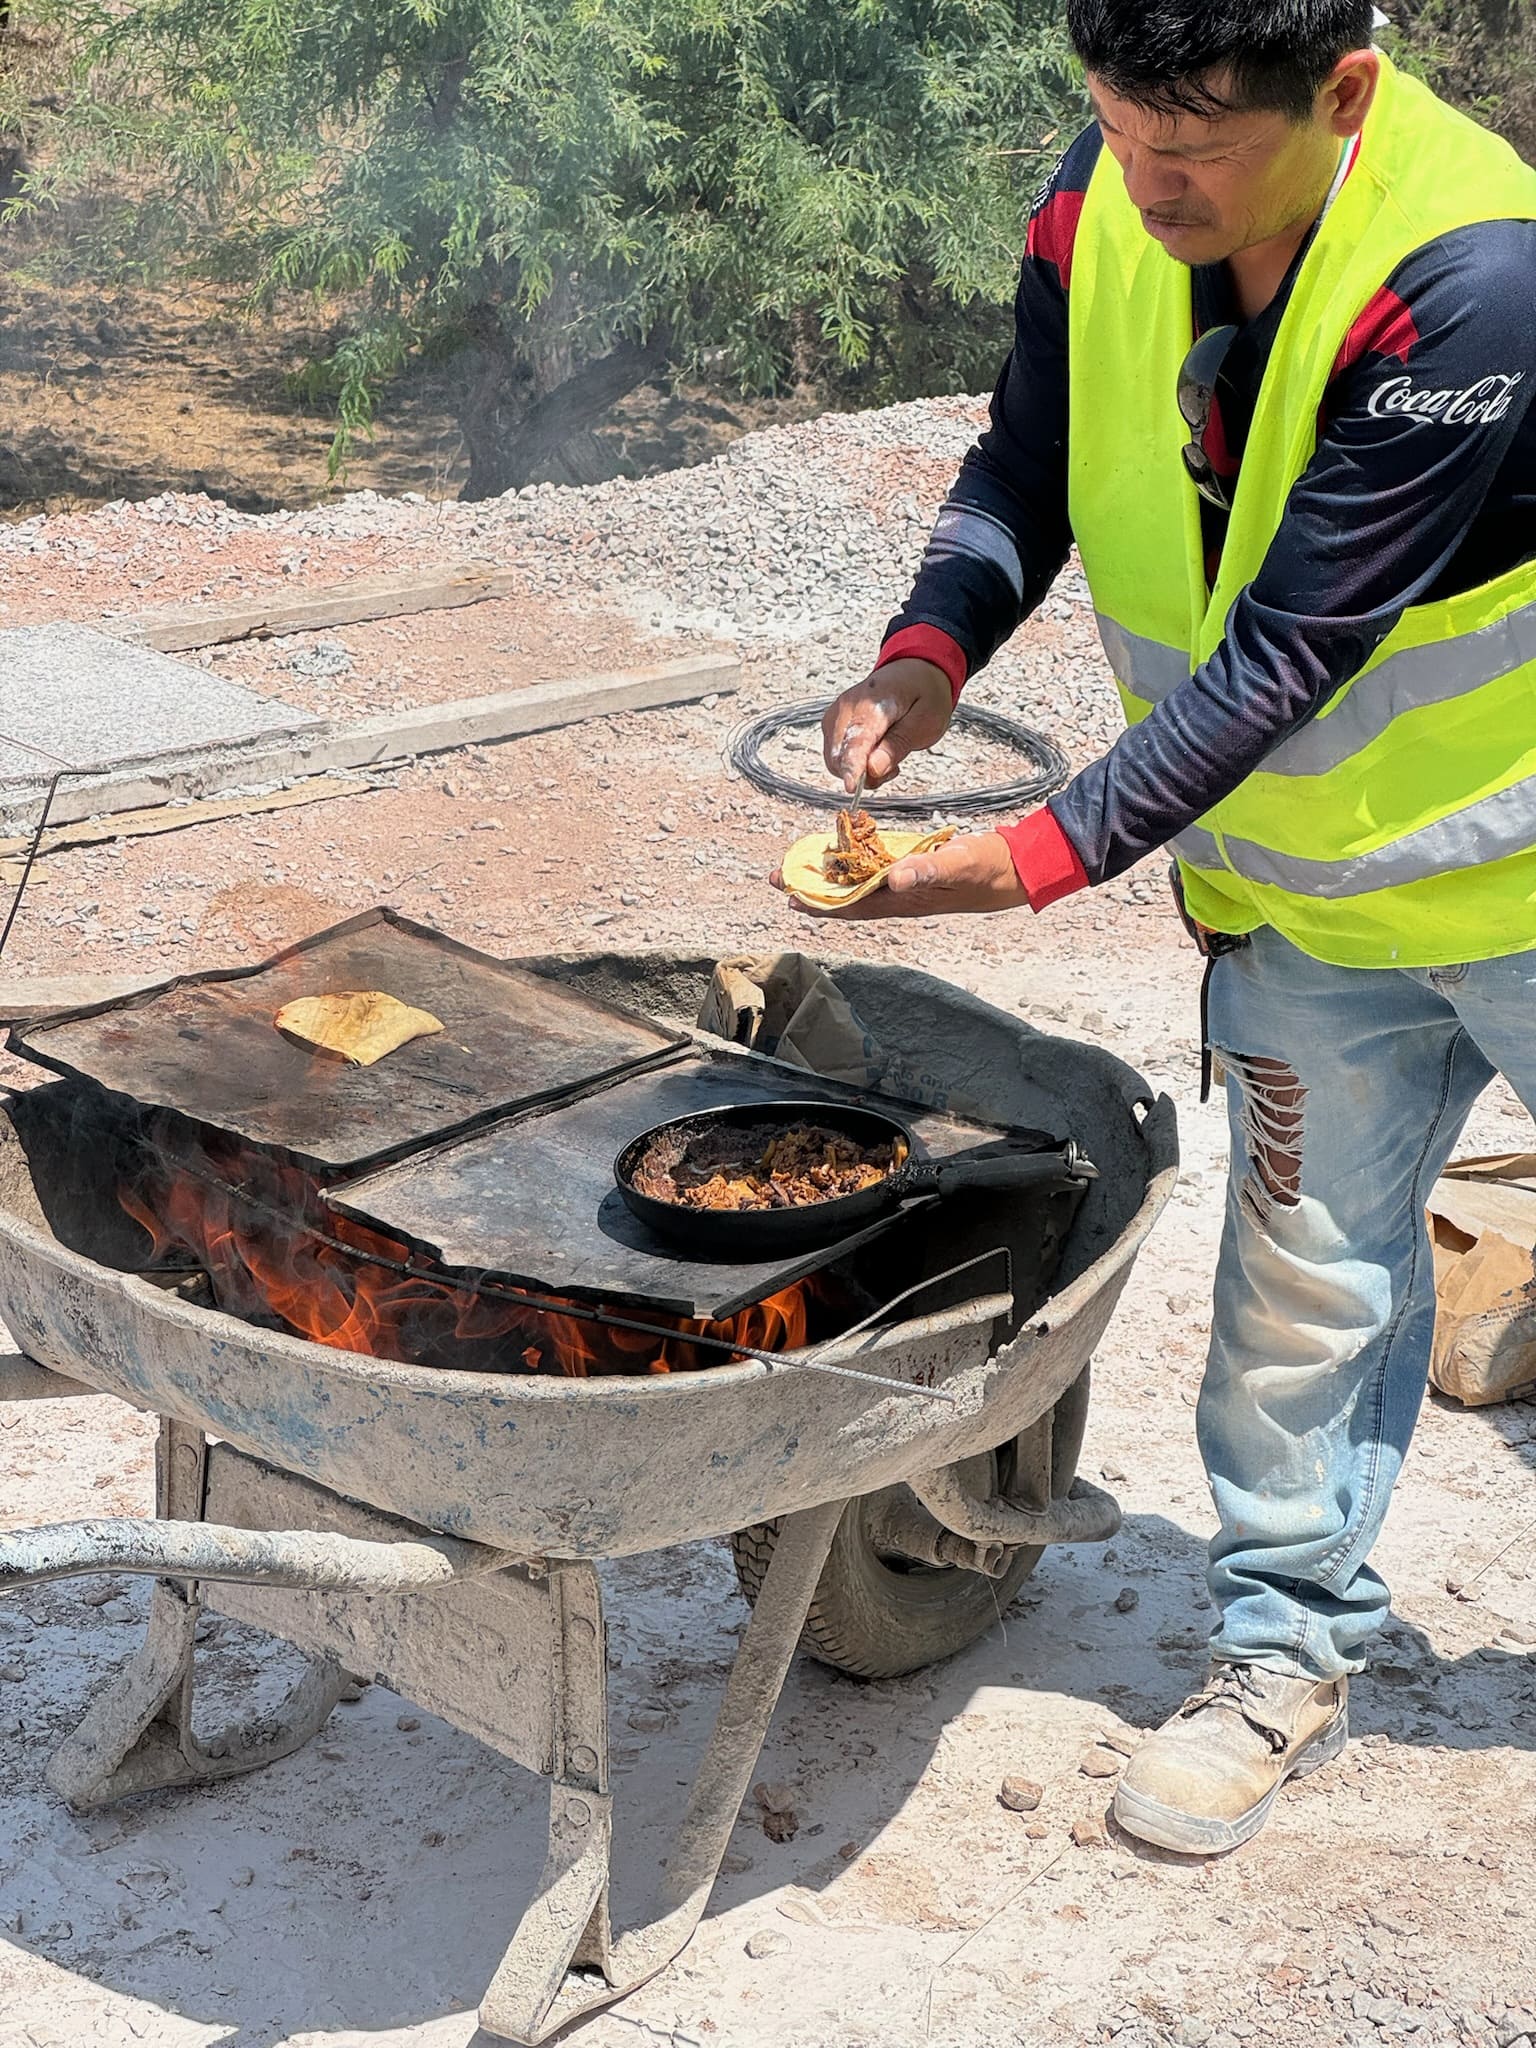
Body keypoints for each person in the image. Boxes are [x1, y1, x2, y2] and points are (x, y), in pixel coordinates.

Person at [787, 0, 1536, 1855]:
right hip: (1300, 907)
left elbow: (1293, 644)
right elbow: (1024, 464)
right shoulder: (1099, 202)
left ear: (1345, 90)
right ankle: (1283, 1649)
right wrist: (927, 653)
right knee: (1303, 1286)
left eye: (1192, 148)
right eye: (1119, 129)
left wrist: (1033, 859)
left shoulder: (1474, 280)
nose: (1146, 180)